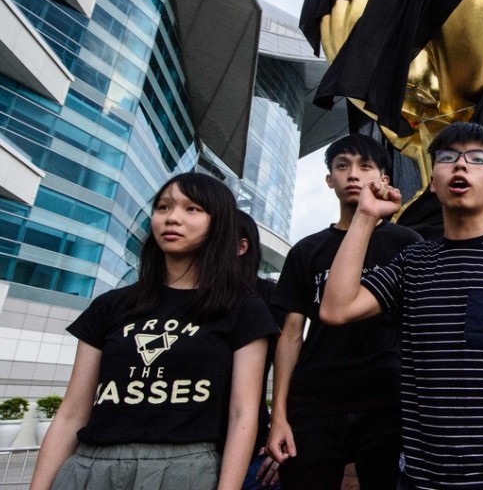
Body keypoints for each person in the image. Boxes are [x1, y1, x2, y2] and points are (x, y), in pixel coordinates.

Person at [320, 122, 483, 489]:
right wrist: (366, 215)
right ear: (432, 183)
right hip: (424, 480)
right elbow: (335, 309)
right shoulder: (413, 262)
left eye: (477, 158)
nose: (460, 166)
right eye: (448, 157)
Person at [31, 173, 279, 490]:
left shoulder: (243, 308)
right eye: (163, 207)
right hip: (89, 466)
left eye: (192, 209)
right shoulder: (110, 306)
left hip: (183, 469)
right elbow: (72, 413)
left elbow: (242, 414)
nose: (172, 218)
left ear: (219, 225)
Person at [267, 134, 421, 489]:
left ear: (384, 179)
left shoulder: (406, 243)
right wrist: (279, 416)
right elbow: (290, 334)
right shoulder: (308, 250)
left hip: (387, 398)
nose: (353, 174)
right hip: (316, 400)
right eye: (342, 166)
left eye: (365, 166)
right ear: (328, 179)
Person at [237, 210, 285, 490]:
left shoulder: (268, 297)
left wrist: (282, 437)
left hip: (254, 454)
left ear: (242, 247)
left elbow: (294, 368)